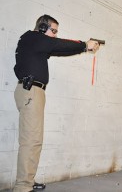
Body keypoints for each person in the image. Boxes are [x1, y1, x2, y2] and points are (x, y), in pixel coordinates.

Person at [13, 14, 100, 192]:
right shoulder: (33, 37)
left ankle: (26, 180)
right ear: (43, 28)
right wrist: (85, 44)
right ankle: (23, 187)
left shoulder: (34, 43)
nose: (55, 34)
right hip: (32, 92)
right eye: (53, 30)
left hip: (32, 92)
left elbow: (60, 49)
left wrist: (82, 48)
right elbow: (58, 44)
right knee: (31, 141)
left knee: (33, 140)